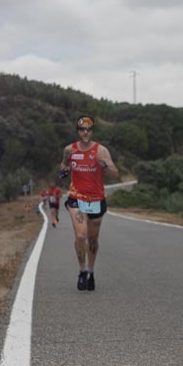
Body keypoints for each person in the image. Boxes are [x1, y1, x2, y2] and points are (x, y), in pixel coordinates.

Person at [59, 115, 119, 291]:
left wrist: (105, 166)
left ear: (91, 132)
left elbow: (115, 173)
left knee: (93, 239)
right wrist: (64, 172)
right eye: (82, 129)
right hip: (76, 198)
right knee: (80, 236)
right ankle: (82, 271)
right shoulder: (69, 150)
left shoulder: (101, 151)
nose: (85, 132)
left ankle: (91, 272)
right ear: (78, 131)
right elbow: (63, 166)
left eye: (88, 129)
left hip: (96, 199)